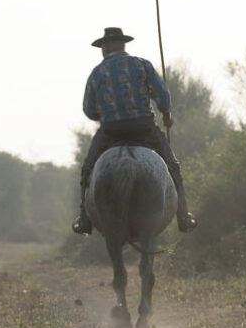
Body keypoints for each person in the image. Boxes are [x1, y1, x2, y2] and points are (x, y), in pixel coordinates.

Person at [72, 27, 198, 235]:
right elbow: (162, 94)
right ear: (122, 44)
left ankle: (84, 218)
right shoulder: (141, 65)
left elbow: (89, 109)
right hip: (143, 128)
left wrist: (104, 116)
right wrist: (166, 115)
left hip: (111, 131)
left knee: (87, 169)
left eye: (103, 46)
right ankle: (183, 216)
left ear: (108, 46)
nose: (102, 49)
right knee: (173, 165)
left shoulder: (98, 73)